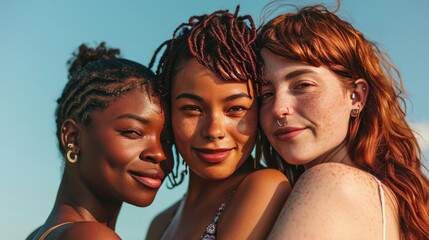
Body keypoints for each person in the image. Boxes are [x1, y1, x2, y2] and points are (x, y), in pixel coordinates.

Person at [257, 4, 429, 240]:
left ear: (356, 97)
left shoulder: (333, 182)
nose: (278, 109)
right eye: (266, 94)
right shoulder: (382, 196)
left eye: (302, 85)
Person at [146, 7, 290, 240]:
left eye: (235, 109)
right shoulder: (160, 223)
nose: (213, 131)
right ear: (168, 112)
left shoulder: (265, 187)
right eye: (192, 109)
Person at [29, 43, 173, 240]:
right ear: (72, 137)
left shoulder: (39, 234)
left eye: (167, 141)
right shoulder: (92, 236)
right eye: (133, 132)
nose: (159, 153)